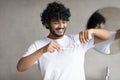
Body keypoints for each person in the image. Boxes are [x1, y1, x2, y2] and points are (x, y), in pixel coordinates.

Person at [17, 1, 111, 80]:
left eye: (64, 22)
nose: (61, 26)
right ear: (46, 24)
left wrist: (92, 30)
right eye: (56, 22)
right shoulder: (38, 45)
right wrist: (42, 50)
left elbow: (108, 36)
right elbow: (20, 67)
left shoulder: (78, 40)